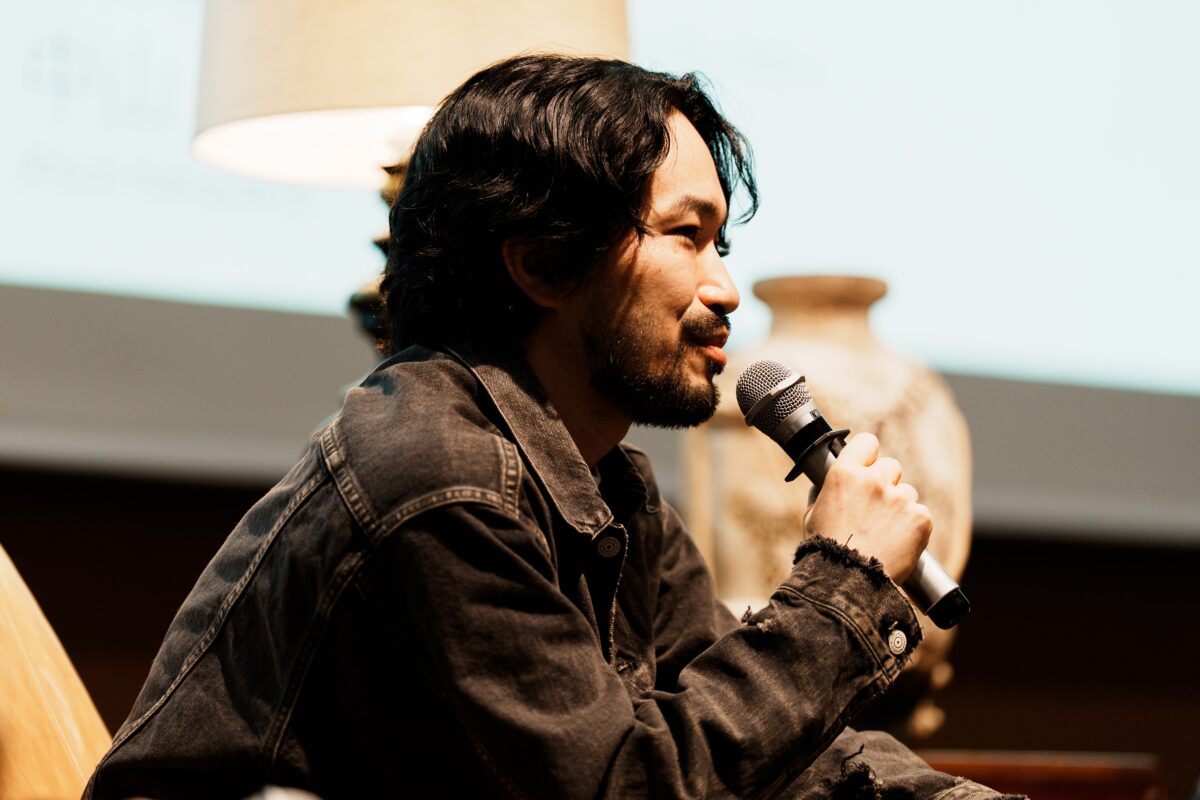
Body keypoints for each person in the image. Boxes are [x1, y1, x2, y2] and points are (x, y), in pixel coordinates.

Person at [86, 55, 1018, 799]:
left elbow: (762, 745)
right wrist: (843, 579)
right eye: (686, 236)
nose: (726, 288)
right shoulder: (437, 477)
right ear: (540, 263)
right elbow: (628, 785)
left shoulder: (610, 485)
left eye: (722, 244)